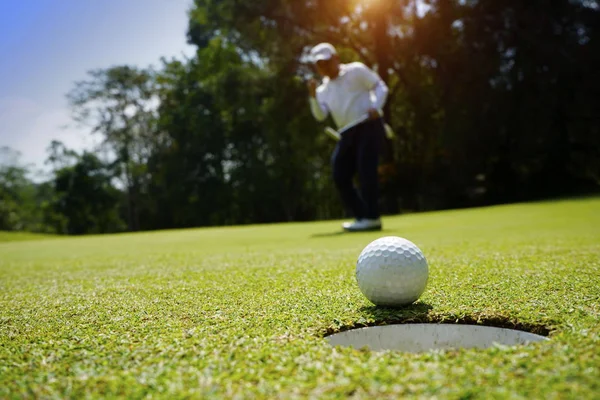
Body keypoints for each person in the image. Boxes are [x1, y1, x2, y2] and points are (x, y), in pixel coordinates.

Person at [307, 43, 389, 232]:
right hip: (347, 132)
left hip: (368, 124)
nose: (324, 67)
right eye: (320, 64)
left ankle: (372, 217)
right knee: (340, 173)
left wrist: (376, 106)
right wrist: (312, 97)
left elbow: (379, 86)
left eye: (326, 62)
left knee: (366, 169)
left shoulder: (356, 70)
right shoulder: (323, 90)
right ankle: (363, 215)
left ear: (336, 58)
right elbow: (320, 115)